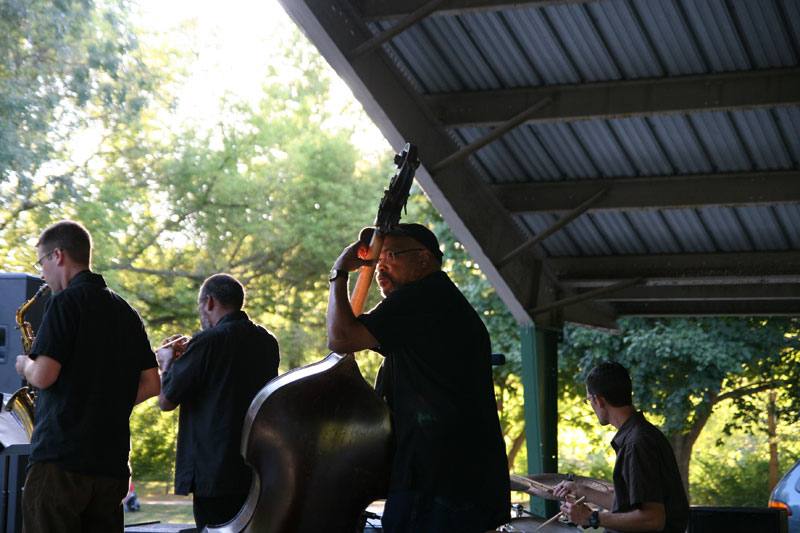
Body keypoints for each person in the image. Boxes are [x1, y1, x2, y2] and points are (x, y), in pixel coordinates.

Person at [327, 223, 510, 533]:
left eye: (391, 255)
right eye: (377, 260)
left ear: (424, 259)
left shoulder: (425, 297)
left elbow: (342, 337)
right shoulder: (433, 303)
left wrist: (339, 272)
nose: (381, 265)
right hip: (452, 480)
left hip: (437, 482)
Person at [15, 220, 160, 532]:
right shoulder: (126, 310)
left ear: (59, 256)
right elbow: (152, 384)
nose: (41, 273)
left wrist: (24, 364)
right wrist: (105, 403)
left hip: (61, 462)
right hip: (111, 467)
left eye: (41, 262)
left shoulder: (64, 301)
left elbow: (43, 376)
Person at [157, 273, 280, 530]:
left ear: (209, 302)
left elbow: (166, 400)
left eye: (201, 307)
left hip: (212, 470)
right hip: (253, 468)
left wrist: (167, 363)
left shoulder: (207, 341)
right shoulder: (267, 342)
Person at [553, 361, 689, 532]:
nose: (592, 406)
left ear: (599, 400)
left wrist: (592, 518)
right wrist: (582, 491)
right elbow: (628, 507)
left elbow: (653, 519)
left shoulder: (638, 443)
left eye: (589, 400)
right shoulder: (642, 435)